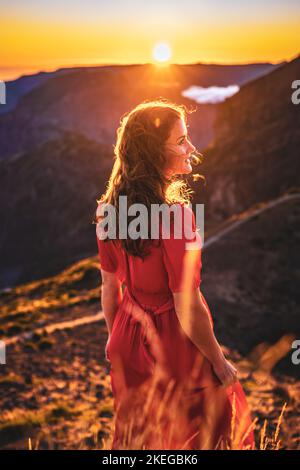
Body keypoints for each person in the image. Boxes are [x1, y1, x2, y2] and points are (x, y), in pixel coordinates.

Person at [94, 98, 256, 450]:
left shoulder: (108, 211)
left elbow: (110, 290)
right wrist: (219, 361)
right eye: (181, 140)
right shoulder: (178, 217)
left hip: (126, 342)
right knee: (201, 441)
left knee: (143, 442)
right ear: (154, 152)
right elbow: (186, 304)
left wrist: (118, 342)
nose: (191, 148)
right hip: (176, 350)